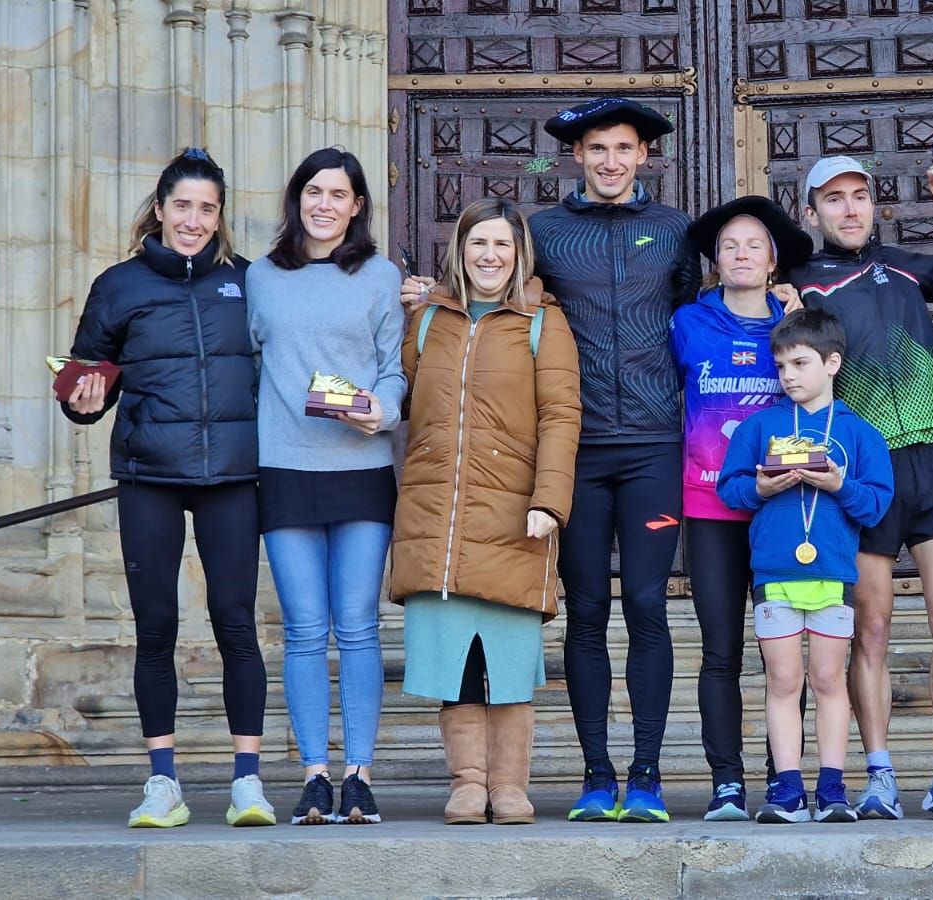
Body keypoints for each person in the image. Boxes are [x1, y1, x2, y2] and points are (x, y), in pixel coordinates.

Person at [62, 148, 273, 828]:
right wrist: (83, 402)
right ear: (159, 209)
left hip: (233, 476)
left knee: (237, 624)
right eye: (182, 206)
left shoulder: (247, 280)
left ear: (220, 216)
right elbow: (81, 380)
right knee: (156, 628)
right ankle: (163, 783)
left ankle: (247, 783)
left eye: (207, 208)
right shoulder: (118, 286)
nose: (194, 219)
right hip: (150, 474)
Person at [790, 153, 933, 819]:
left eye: (859, 197)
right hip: (861, 470)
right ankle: (878, 775)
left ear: (874, 204)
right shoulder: (802, 284)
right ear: (809, 211)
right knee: (868, 630)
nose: (849, 209)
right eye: (833, 199)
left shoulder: (904, 265)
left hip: (932, 460)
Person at [533, 97, 699, 823]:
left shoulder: (672, 232)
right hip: (576, 447)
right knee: (589, 612)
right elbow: (507, 308)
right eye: (596, 149)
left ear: (643, 157)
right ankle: (596, 775)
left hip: (655, 447)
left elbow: (700, 315)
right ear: (577, 157)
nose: (609, 161)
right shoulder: (543, 232)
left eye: (622, 148)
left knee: (645, 606)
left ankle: (648, 775)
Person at [391, 198, 581, 826]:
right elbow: (406, 395)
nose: (489, 256)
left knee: (507, 661)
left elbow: (560, 415)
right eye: (478, 244)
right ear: (459, 251)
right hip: (439, 512)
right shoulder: (426, 321)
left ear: (519, 253)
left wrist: (549, 502)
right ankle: (468, 783)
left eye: (502, 245)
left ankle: (509, 785)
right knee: (455, 663)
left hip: (512, 515)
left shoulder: (542, 323)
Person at [246, 148, 405, 825]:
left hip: (361, 469)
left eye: (339, 194)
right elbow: (245, 361)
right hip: (285, 466)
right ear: (297, 198)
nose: (325, 205)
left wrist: (383, 409)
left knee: (359, 628)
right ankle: (314, 774)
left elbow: (394, 368)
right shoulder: (259, 277)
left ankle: (360, 775)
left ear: (358, 205)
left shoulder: (379, 275)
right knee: (306, 632)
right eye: (314, 191)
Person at [717, 309, 893, 824]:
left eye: (799, 363)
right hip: (774, 574)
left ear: (832, 363)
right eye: (781, 365)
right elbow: (730, 488)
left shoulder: (860, 434)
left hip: (833, 574)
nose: (788, 375)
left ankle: (833, 789)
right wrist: (759, 488)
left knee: (828, 680)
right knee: (783, 681)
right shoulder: (760, 426)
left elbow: (877, 505)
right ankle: (788, 790)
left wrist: (840, 485)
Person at [672, 196, 813, 821]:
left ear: (773, 258)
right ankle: (727, 780)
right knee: (722, 648)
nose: (742, 254)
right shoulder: (687, 323)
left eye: (754, 244)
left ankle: (784, 777)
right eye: (730, 245)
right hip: (709, 506)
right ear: (715, 260)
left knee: (785, 650)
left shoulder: (795, 325)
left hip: (785, 508)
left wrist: (802, 315)